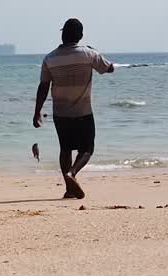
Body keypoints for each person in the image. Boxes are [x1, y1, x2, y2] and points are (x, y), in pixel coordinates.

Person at [34, 18, 115, 199]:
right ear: (80, 36)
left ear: (63, 35)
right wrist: (95, 52)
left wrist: (36, 112)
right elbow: (109, 69)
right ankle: (72, 173)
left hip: (60, 113)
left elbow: (43, 86)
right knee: (87, 148)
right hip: (83, 112)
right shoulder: (89, 54)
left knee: (65, 149)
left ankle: (69, 188)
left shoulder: (50, 58)